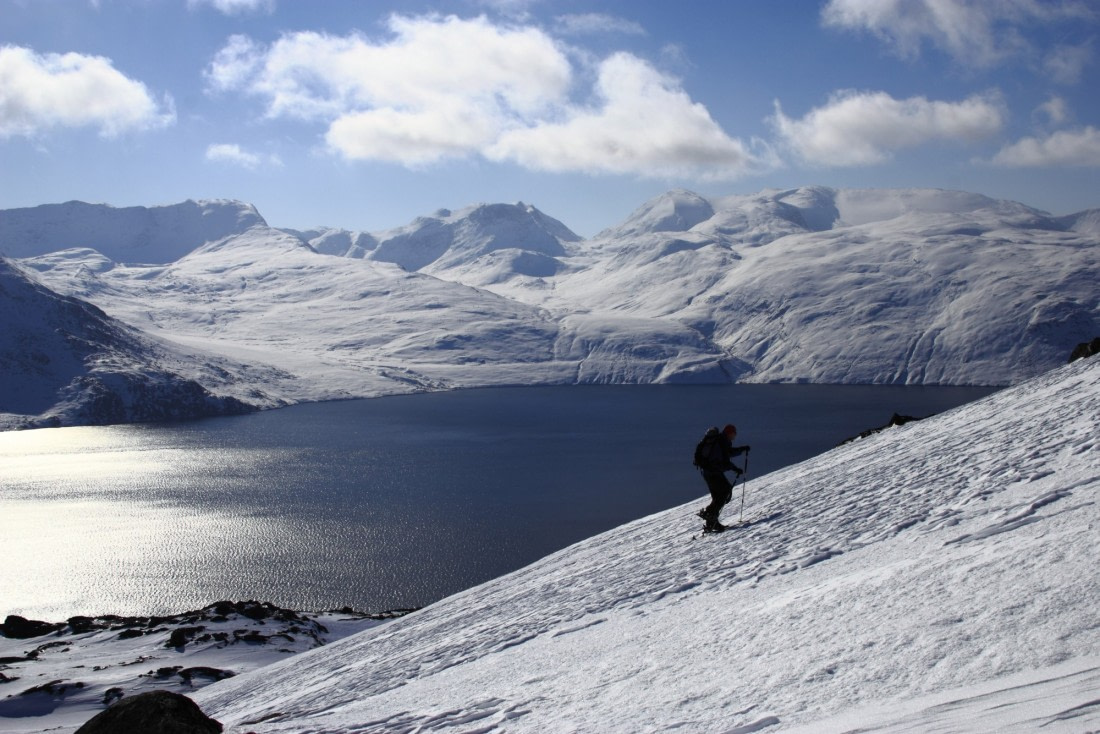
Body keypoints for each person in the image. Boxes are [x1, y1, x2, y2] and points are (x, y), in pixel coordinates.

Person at [697, 424, 750, 532]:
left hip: (707, 472)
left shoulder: (720, 441)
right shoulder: (722, 441)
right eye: (734, 434)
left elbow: (728, 453)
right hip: (713, 472)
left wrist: (741, 449)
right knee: (725, 492)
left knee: (718, 495)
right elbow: (725, 460)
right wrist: (735, 469)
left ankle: (711, 522)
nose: (734, 437)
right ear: (729, 433)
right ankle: (709, 514)